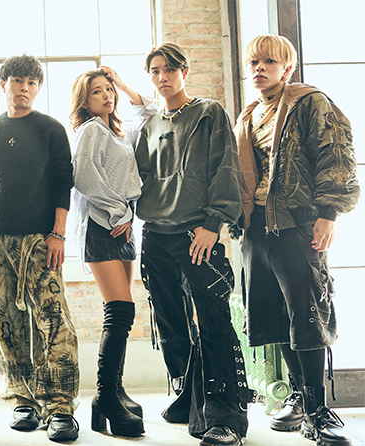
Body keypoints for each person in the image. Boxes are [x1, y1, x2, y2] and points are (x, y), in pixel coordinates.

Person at [235, 35, 359, 446]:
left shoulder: (308, 103)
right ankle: (301, 398)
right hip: (257, 227)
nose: (259, 68)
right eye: (254, 62)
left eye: (269, 62)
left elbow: (335, 155)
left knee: (307, 313)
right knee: (275, 315)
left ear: (287, 68)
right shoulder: (249, 114)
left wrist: (328, 214)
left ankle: (319, 409)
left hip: (298, 223)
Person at [134, 42, 254, 446]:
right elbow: (140, 179)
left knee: (213, 320)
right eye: (155, 71)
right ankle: (190, 397)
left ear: (185, 72)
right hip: (155, 234)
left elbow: (225, 167)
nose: (162, 77)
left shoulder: (208, 113)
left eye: (169, 69)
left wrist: (213, 223)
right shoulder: (149, 126)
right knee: (171, 324)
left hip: (196, 232)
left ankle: (226, 416)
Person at [0, 54, 79, 443]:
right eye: (18, 80)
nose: (25, 88)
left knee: (53, 320)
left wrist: (58, 233)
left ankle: (59, 407)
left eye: (33, 82)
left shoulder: (50, 129)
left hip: (41, 238)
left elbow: (62, 182)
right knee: (5, 321)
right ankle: (22, 401)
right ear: (3, 83)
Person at [70, 66, 157, 438]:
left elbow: (150, 109)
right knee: (118, 311)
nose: (106, 96)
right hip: (103, 225)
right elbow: (83, 176)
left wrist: (120, 82)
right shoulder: (90, 130)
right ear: (84, 101)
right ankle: (105, 396)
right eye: (97, 92)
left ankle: (114, 391)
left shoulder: (118, 132)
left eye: (109, 89)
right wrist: (119, 211)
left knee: (124, 312)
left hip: (124, 225)